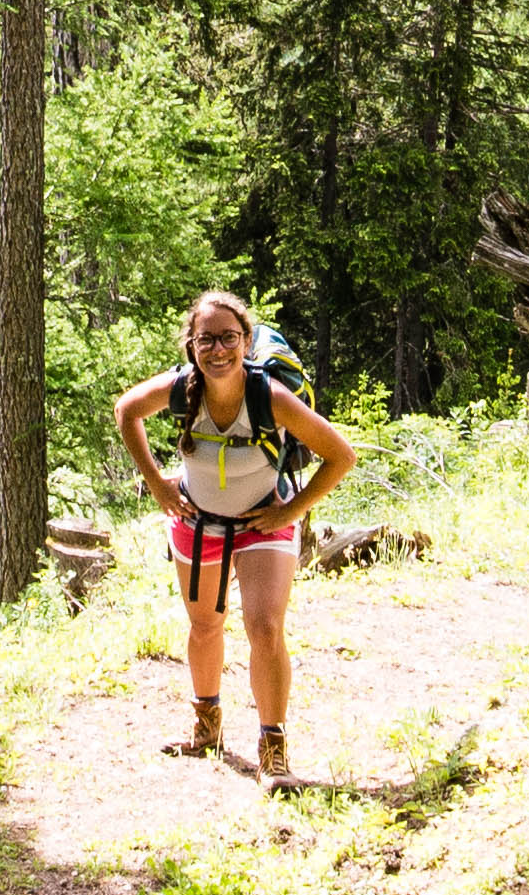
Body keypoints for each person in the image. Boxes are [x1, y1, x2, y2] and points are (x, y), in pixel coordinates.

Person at [113, 290, 356, 783]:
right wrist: (158, 483)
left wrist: (292, 509)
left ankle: (274, 751)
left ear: (246, 342)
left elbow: (341, 455)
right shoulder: (182, 388)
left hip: (261, 522)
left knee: (264, 627)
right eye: (207, 339)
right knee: (205, 626)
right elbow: (127, 411)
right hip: (195, 520)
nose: (218, 350)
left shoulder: (271, 398)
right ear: (191, 345)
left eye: (229, 338)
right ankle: (206, 730)